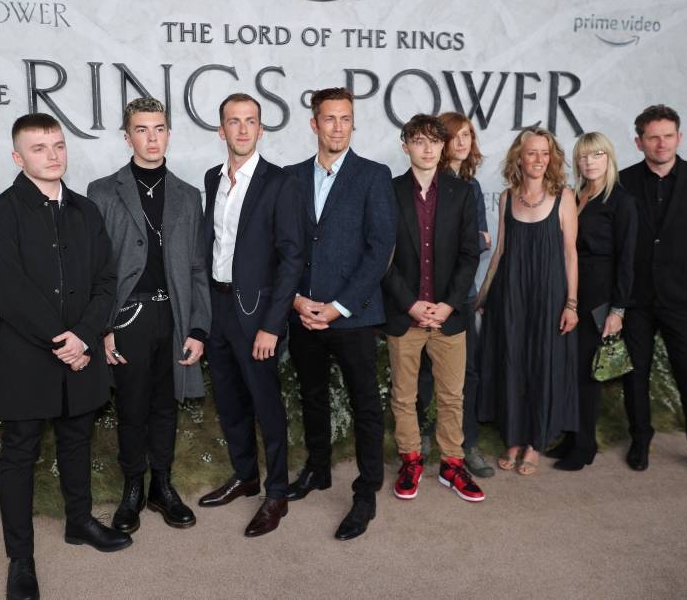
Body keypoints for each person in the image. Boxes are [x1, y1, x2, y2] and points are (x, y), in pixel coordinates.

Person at [0, 113, 130, 600]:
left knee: (77, 440)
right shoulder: (1, 213)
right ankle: (20, 559)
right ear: (17, 157)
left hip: (82, 351)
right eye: (39, 148)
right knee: (19, 454)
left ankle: (79, 522)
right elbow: (8, 289)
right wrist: (62, 341)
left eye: (58, 145)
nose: (53, 155)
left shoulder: (86, 210)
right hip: (27, 356)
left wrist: (84, 337)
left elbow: (107, 281)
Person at [86, 97, 210, 533]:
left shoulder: (188, 196)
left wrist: (198, 327)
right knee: (132, 407)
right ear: (127, 137)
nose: (151, 138)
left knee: (165, 406)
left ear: (168, 134)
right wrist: (104, 327)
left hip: (173, 317)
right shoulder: (103, 192)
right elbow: (96, 269)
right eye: (141, 130)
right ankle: (132, 489)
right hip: (128, 318)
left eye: (159, 129)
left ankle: (162, 485)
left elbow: (197, 268)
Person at [283, 87, 397, 541]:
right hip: (303, 312)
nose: (337, 127)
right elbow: (282, 245)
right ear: (314, 124)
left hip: (353, 316)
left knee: (365, 404)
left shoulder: (373, 176)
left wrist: (337, 307)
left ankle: (366, 491)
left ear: (353, 123)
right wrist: (295, 299)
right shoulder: (291, 177)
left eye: (345, 118)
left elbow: (379, 250)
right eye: (329, 118)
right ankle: (318, 468)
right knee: (312, 396)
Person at [197, 93, 304, 537]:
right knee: (229, 401)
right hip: (218, 307)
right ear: (220, 130)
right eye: (233, 121)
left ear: (261, 129)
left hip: (257, 314)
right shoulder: (212, 178)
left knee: (266, 405)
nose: (242, 129)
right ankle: (245, 476)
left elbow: (292, 259)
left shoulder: (280, 182)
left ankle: (276, 492)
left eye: (250, 121)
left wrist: (272, 326)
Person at [619, 104, 687, 486]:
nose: (661, 143)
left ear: (679, 138)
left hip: (685, 299)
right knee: (635, 376)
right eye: (653, 137)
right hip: (636, 300)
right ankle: (640, 441)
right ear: (639, 142)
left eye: (668, 136)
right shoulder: (623, 181)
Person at [382, 114, 484, 503]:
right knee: (404, 396)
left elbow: (469, 255)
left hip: (448, 316)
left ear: (443, 147)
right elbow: (382, 257)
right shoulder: (389, 192)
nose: (427, 149)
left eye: (434, 142)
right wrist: (410, 303)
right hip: (404, 315)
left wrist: (447, 304)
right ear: (405, 145)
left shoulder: (462, 193)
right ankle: (410, 460)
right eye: (419, 141)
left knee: (452, 396)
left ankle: (452, 465)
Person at [477, 126, 579, 476]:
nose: (539, 159)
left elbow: (570, 254)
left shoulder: (565, 196)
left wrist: (571, 304)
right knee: (513, 362)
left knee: (542, 363)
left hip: (549, 295)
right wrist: (484, 293)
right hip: (511, 293)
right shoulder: (507, 197)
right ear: (519, 158)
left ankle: (535, 442)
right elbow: (501, 251)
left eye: (545, 153)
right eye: (532, 152)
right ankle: (513, 438)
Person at [547, 132, 638, 471]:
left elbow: (627, 258)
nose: (589, 162)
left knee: (587, 374)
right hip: (572, 291)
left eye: (596, 154)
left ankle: (585, 446)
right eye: (583, 156)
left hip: (599, 296)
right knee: (570, 370)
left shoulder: (621, 201)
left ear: (609, 157)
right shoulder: (577, 196)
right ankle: (571, 437)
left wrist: (618, 309)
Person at [415, 112, 494, 478]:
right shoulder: (425, 182)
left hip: (461, 296)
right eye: (455, 135)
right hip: (425, 297)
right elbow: (424, 242)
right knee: (424, 372)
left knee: (468, 374)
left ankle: (467, 443)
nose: (462, 142)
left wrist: (468, 240)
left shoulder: (471, 187)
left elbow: (480, 242)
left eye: (468, 135)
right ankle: (420, 439)